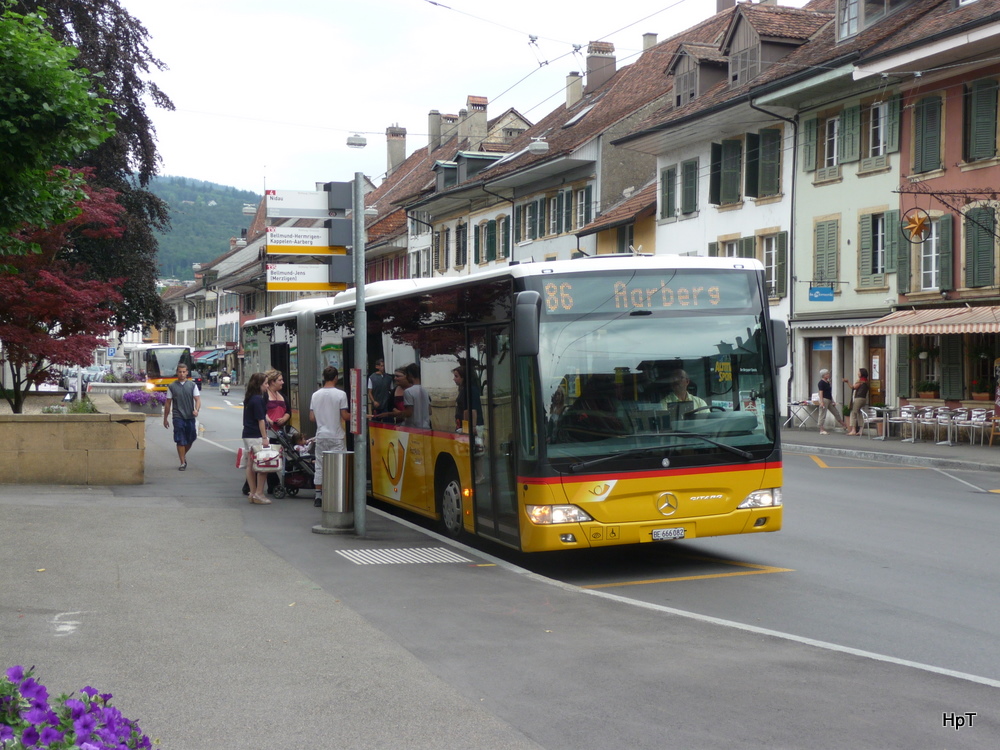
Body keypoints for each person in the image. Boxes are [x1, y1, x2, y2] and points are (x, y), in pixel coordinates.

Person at [309, 365, 352, 507]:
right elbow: (345, 416)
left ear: (323, 377)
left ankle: (318, 496)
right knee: (338, 466)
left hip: (321, 435)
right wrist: (358, 415)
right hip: (336, 436)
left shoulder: (315, 395)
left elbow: (312, 417)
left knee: (320, 465)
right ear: (336, 378)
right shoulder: (341, 394)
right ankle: (336, 494)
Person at [162, 363, 201, 471]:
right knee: (180, 439)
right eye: (180, 372)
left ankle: (183, 455)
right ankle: (182, 462)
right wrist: (165, 418)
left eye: (184, 372)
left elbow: (197, 399)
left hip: (190, 416)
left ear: (187, 372)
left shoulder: (192, 385)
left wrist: (196, 410)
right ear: (177, 372)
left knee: (191, 438)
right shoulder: (172, 386)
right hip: (177, 416)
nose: (182, 374)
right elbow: (168, 403)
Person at [241, 372, 272, 504]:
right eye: (265, 383)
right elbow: (260, 420)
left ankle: (253, 492)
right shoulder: (258, 399)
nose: (267, 386)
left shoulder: (249, 398)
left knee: (250, 464)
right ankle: (259, 493)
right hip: (256, 435)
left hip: (247, 434)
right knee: (263, 465)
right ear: (259, 385)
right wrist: (265, 437)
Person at [452, 366, 483, 433]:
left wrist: (468, 428)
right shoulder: (464, 389)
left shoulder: (470, 389)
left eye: (456, 376)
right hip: (464, 426)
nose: (454, 379)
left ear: (463, 377)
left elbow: (471, 410)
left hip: (472, 427)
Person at [817, 369, 847, 435]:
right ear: (823, 375)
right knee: (822, 414)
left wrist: (833, 401)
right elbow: (821, 392)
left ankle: (844, 425)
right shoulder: (821, 383)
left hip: (829, 399)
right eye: (827, 374)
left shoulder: (827, 382)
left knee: (836, 412)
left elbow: (829, 393)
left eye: (828, 373)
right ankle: (821, 429)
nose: (828, 375)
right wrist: (821, 401)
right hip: (824, 399)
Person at [263, 369, 291, 435]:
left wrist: (284, 419)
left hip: (281, 432)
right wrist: (268, 419)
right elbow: (261, 411)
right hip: (268, 431)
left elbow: (288, 411)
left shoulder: (282, 396)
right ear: (272, 382)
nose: (282, 382)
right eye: (280, 380)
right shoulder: (264, 395)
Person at [844, 368, 870, 436]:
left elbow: (853, 387)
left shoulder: (861, 381)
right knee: (859, 413)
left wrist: (847, 382)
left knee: (853, 413)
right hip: (864, 399)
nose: (858, 373)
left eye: (859, 372)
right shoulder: (866, 381)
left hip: (858, 398)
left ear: (861, 373)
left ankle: (853, 430)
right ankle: (861, 430)